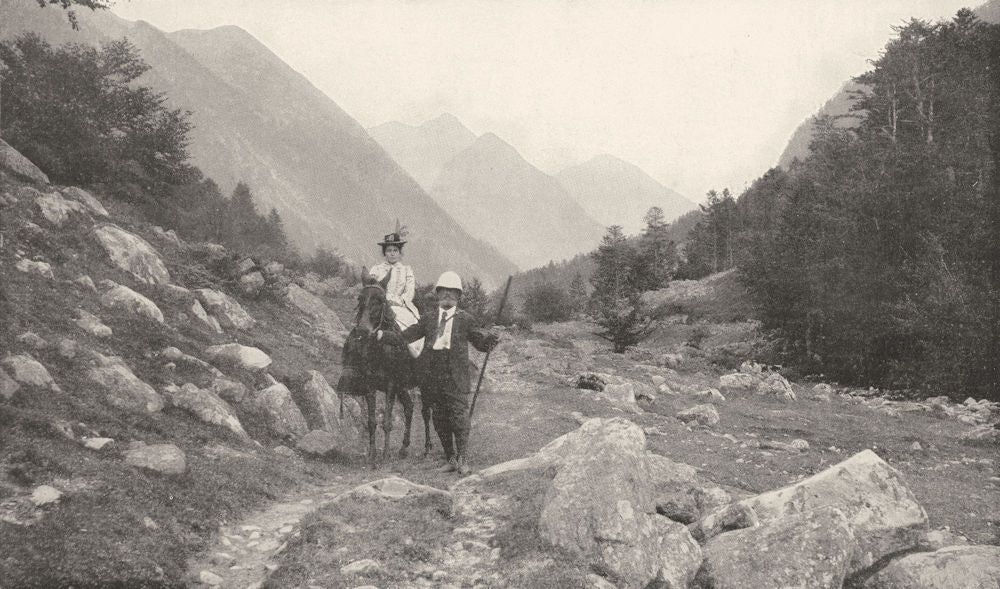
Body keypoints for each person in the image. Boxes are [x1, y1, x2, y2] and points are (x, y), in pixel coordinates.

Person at [378, 271, 499, 475]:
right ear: (438, 294)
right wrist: (383, 335)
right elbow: (405, 336)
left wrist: (491, 340)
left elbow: (480, 343)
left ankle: (463, 459)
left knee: (459, 417)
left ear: (459, 296)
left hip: (455, 376)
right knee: (440, 419)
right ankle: (450, 458)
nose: (448, 295)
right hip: (432, 375)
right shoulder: (428, 319)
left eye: (452, 292)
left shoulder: (466, 319)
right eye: (444, 291)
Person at [368, 232, 423, 357]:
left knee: (410, 329)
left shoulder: (406, 270)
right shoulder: (376, 270)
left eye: (395, 250)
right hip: (380, 304)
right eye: (389, 250)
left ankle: (415, 356)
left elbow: (409, 292)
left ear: (400, 252)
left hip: (400, 306)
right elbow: (372, 289)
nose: (392, 253)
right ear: (384, 253)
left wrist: (399, 301)